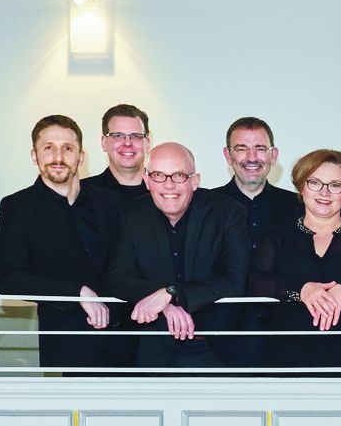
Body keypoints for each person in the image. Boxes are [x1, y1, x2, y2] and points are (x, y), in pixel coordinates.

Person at [102, 142, 249, 371]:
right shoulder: (131, 215)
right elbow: (116, 278)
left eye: (179, 175)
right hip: (154, 349)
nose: (169, 185)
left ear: (195, 180)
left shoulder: (228, 213)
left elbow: (235, 281)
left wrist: (173, 293)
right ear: (146, 180)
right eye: (159, 175)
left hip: (218, 349)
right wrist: (166, 302)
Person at [0, 113, 119, 372]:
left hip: (127, 343)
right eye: (48, 148)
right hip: (69, 348)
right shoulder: (17, 207)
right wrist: (76, 292)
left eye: (67, 148)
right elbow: (8, 279)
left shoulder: (110, 202)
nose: (58, 157)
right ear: (34, 155)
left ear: (81, 157)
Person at [249, 148, 341, 374]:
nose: (324, 193)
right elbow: (256, 282)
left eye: (335, 185)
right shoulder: (276, 236)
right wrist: (301, 290)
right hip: (288, 359)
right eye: (315, 183)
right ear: (301, 186)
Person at [210, 116, 300, 369]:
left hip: (287, 333)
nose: (252, 157)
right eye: (242, 148)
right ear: (228, 155)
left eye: (260, 149)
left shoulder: (298, 207)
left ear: (273, 154)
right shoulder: (205, 206)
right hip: (221, 338)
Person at [82, 103, 154, 211]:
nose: (127, 143)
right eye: (118, 136)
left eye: (135, 136)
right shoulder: (82, 194)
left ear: (147, 143)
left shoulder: (165, 193)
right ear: (104, 142)